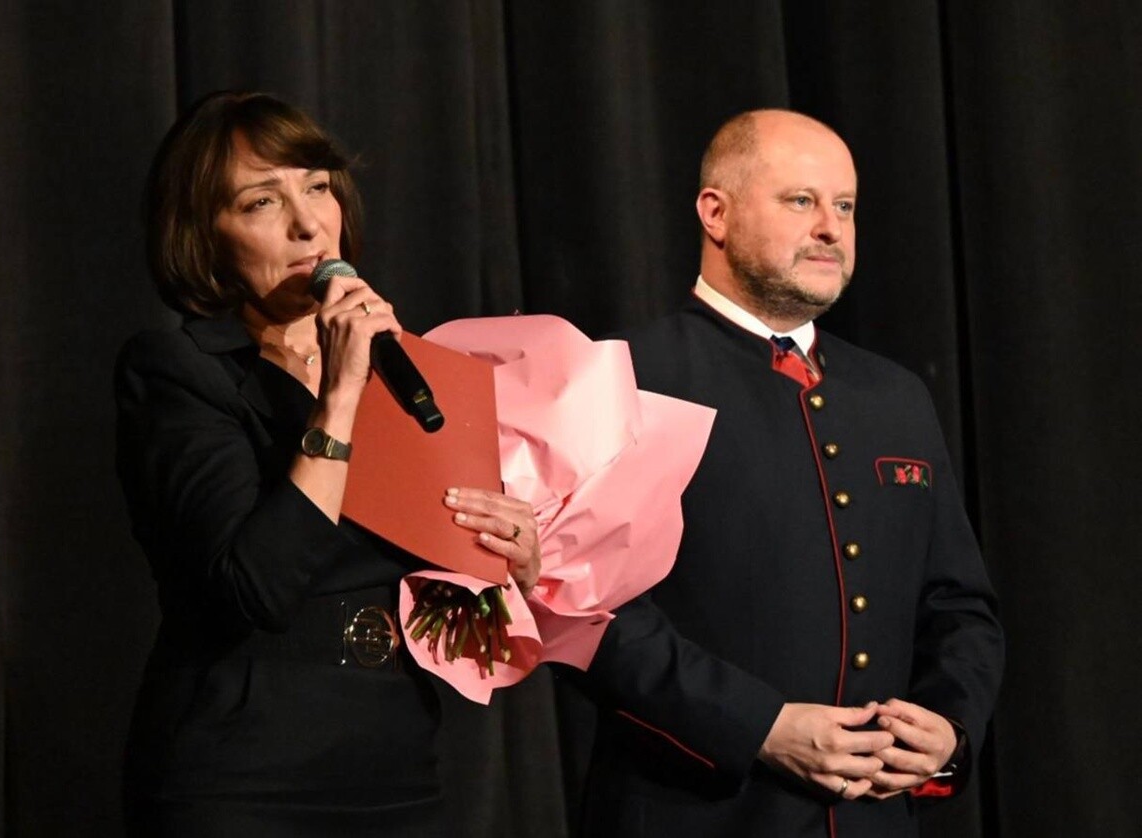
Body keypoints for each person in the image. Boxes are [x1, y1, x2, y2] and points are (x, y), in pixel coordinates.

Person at [115, 90, 541, 837]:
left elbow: (449, 602)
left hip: (396, 767)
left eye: (317, 186)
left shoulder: (405, 368)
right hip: (242, 779)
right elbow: (253, 587)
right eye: (261, 202)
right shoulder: (182, 371)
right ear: (203, 234)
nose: (308, 223)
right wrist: (339, 397)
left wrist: (513, 564)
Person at [574, 109, 1004, 836]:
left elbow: (960, 605)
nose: (831, 228)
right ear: (716, 212)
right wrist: (760, 727)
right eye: (801, 201)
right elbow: (584, 615)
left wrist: (949, 726)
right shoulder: (627, 375)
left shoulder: (895, 395)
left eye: (845, 206)